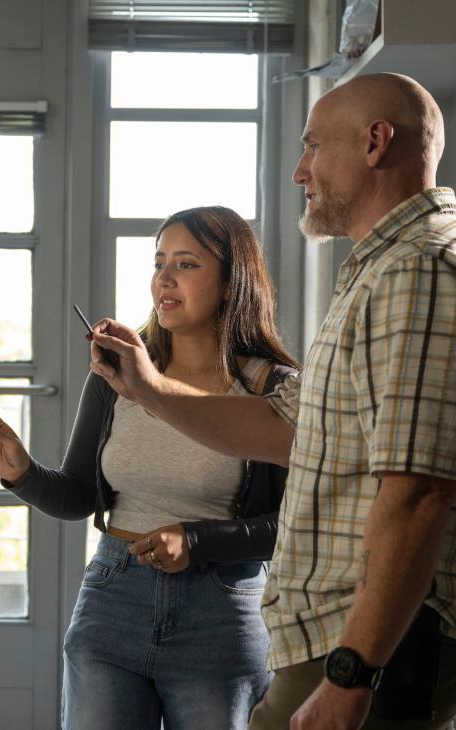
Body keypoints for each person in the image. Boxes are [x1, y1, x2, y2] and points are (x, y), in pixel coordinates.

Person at [86, 73, 456, 730]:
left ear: (375, 143)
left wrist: (351, 674)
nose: (298, 171)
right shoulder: (380, 267)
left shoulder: (416, 270)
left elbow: (419, 490)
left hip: (373, 646)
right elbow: (290, 429)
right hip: (341, 639)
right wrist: (146, 387)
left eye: (313, 147)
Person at [0, 205, 299, 729]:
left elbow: (292, 527)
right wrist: (22, 473)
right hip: (111, 600)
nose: (164, 278)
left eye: (187, 264)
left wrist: (197, 541)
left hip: (221, 617)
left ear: (233, 281)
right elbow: (80, 497)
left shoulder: (274, 388)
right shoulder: (117, 372)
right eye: (158, 261)